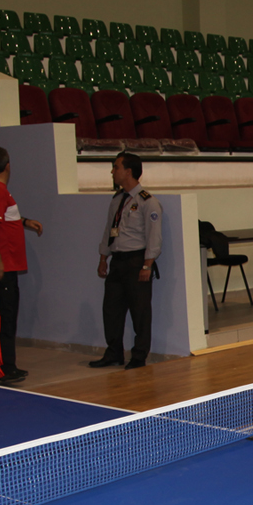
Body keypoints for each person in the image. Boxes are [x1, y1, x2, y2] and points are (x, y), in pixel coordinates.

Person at [0, 145, 43, 383]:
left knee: (7, 316)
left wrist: (24, 222)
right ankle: (2, 368)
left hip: (7, 265)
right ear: (7, 166)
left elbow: (1, 218)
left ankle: (8, 364)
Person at [90, 152, 161, 369]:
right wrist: (103, 258)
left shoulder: (147, 202)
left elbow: (154, 237)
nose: (112, 171)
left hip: (136, 261)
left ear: (128, 171)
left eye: (116, 167)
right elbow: (109, 231)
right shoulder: (117, 200)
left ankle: (139, 356)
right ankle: (113, 353)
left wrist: (147, 265)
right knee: (111, 310)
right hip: (117, 261)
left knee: (140, 312)